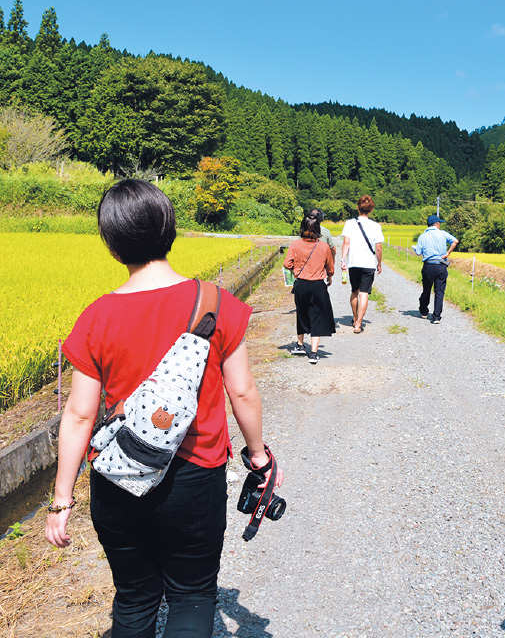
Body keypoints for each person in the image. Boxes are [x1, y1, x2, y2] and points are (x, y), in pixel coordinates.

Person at [45, 179, 281, 638]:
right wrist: (258, 454)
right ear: (170, 230)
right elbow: (244, 393)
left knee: (134, 598)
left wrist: (61, 500)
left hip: (116, 477)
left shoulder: (96, 316)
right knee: (192, 596)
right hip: (194, 478)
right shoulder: (217, 304)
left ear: (112, 245)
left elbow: (77, 416)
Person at [284, 214, 335, 364]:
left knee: (301, 313)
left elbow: (287, 264)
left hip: (301, 284)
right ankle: (313, 353)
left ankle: (300, 345)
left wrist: (296, 267)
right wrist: (330, 277)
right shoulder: (324, 246)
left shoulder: (296, 244)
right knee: (317, 316)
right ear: (318, 229)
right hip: (318, 285)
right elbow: (330, 267)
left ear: (302, 228)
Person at [340, 195, 384, 333]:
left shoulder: (349, 223)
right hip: (368, 264)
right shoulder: (375, 226)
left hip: (353, 263)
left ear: (358, 208)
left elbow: (346, 243)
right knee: (364, 293)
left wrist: (343, 259)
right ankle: (358, 324)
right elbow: (378, 247)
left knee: (354, 291)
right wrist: (379, 263)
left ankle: (354, 317)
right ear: (371, 210)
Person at [413, 214, 459, 324]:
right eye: (439, 224)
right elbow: (455, 241)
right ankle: (436, 317)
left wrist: (415, 248)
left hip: (428, 266)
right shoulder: (443, 234)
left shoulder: (422, 236)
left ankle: (424, 311)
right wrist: (448, 252)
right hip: (441, 265)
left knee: (427, 289)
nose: (439, 225)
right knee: (439, 292)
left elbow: (418, 252)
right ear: (436, 224)